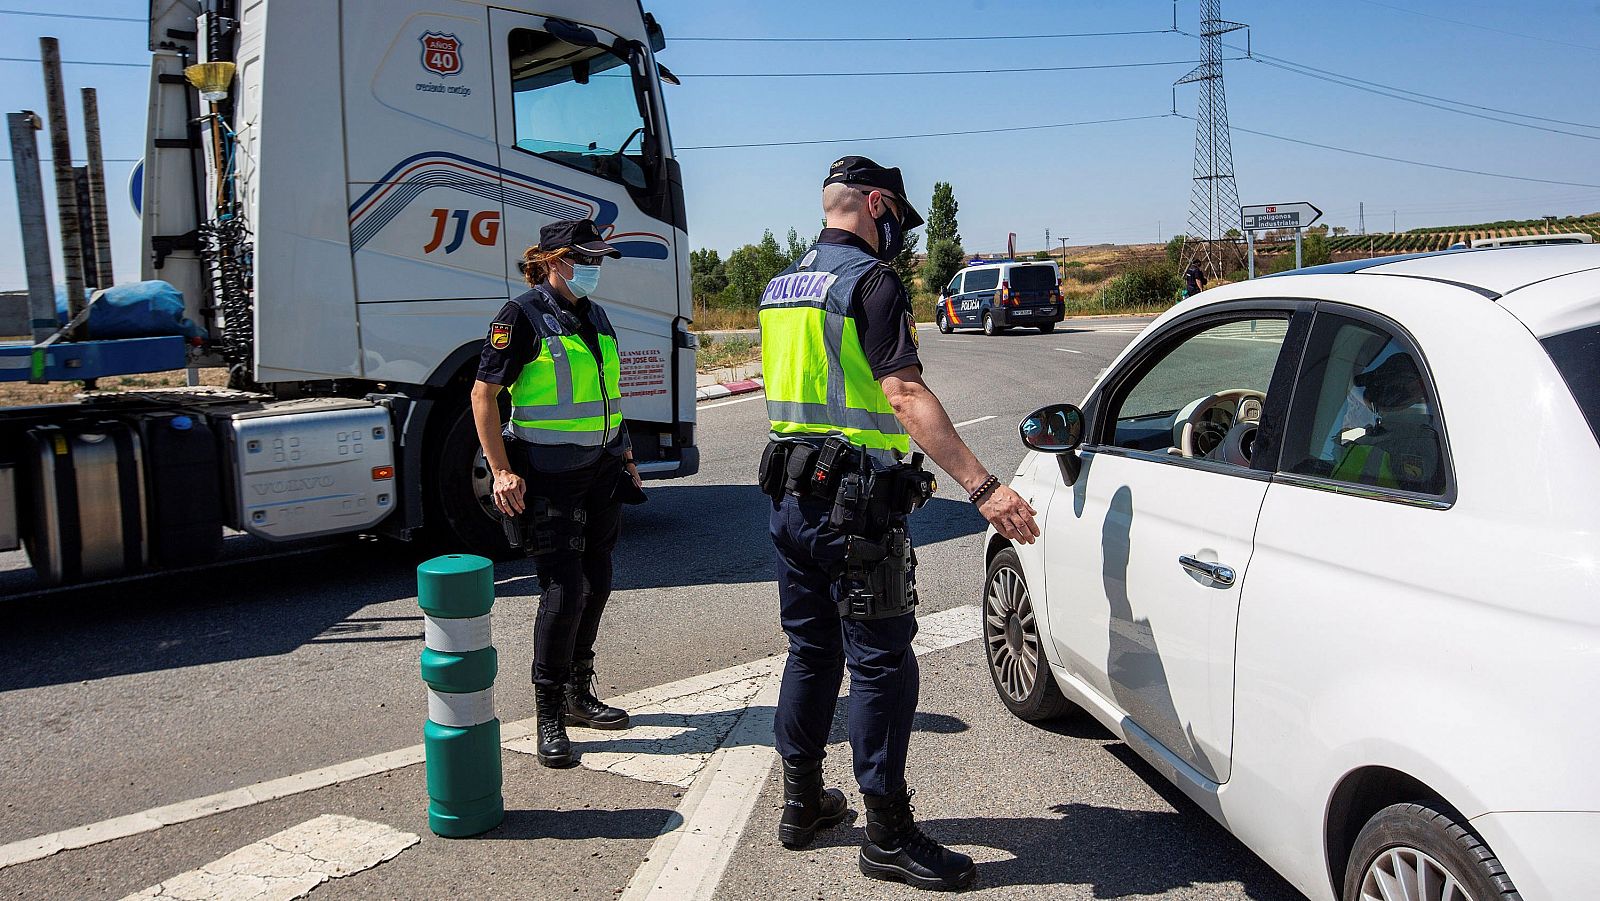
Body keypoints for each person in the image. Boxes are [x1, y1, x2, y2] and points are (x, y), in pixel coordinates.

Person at [757, 155, 1040, 892]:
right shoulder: (869, 283)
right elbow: (904, 395)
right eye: (896, 222)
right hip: (853, 509)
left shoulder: (781, 285)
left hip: (790, 500)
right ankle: (887, 833)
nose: (897, 239)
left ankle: (801, 805)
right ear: (874, 204)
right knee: (882, 662)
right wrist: (982, 487)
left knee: (811, 651)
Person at [470, 218, 642, 769]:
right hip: (548, 473)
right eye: (584, 259)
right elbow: (483, 395)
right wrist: (501, 471)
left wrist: (629, 457)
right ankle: (548, 711)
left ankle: (577, 692)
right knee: (563, 589)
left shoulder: (596, 315)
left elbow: (607, 395)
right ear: (552, 261)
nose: (594, 269)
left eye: (597, 260)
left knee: (600, 577)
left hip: (603, 467)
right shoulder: (520, 316)